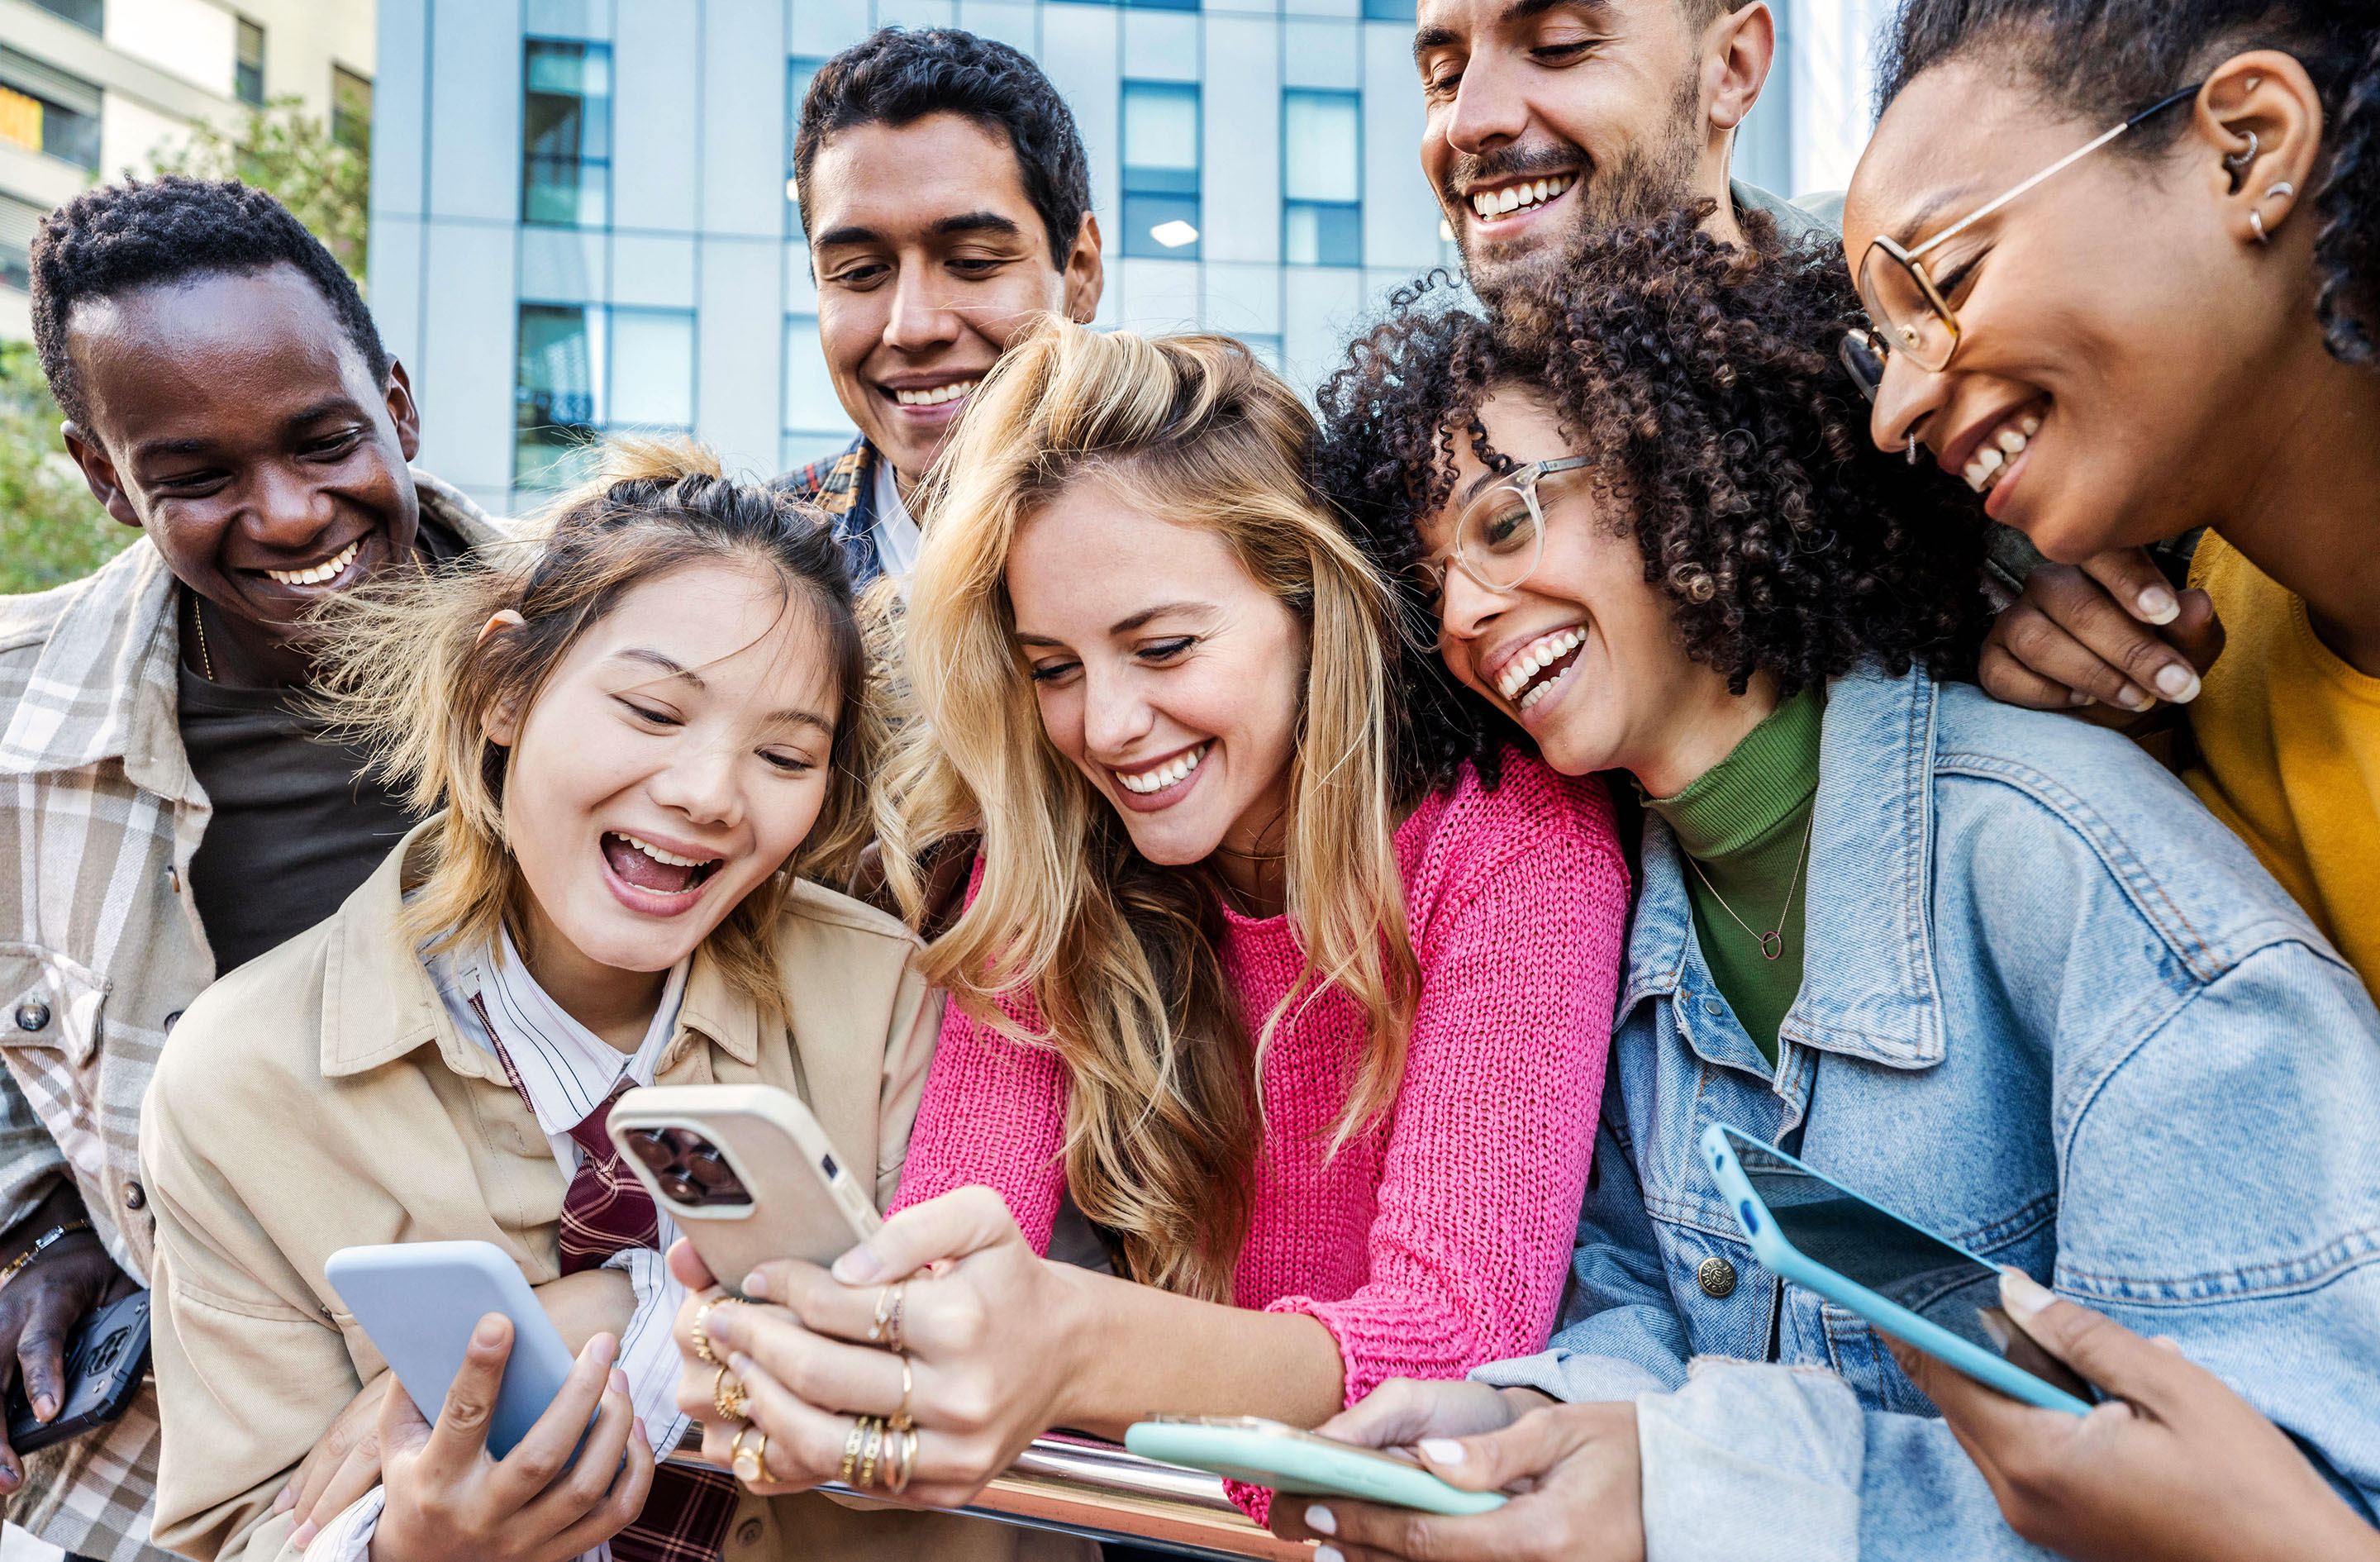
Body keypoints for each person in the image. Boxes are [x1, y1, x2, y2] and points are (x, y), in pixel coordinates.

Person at [1262, 207, 2380, 1561]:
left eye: (1506, 521)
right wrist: (1504, 1421)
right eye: (1431, 583)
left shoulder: (2069, 868)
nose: (1466, 616)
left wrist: (1694, 1488)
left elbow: (2295, 1486)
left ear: (1678, 466)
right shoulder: (1617, 920)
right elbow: (1633, 1314)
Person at [667, 321, 1629, 1516]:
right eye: (1054, 668)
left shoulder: (1509, 845)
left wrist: (1074, 1347)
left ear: (1310, 603)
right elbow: (951, 1282)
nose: (1108, 725)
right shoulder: (1042, 875)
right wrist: (844, 1371)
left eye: (1161, 646)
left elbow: (1451, 1338)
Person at [134, 441, 989, 1562]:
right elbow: (245, 1526)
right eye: (650, 710)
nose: (707, 794)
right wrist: (409, 1550)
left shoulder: (900, 1001)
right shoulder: (239, 1080)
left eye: (786, 753)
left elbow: (972, 1367)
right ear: (503, 689)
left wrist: (625, 1310)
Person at [0, 175, 507, 1562]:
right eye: (198, 477)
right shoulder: (16, 733)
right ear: (106, 480)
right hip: (177, 1480)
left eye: (324, 440)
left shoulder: (607, 666)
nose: (286, 515)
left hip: (551, 1429)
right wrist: (50, 1233)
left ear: (397, 406)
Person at [1844, 2, 2380, 1005]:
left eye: (1945, 277)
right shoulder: (2205, 668)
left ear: (2249, 149)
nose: (1895, 412)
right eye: (1877, 347)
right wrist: (2130, 762)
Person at [777, 27, 1102, 589]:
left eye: (973, 262)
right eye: (860, 273)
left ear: (1079, 272)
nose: (912, 327)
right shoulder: (749, 572)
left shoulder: (1223, 533)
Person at [1413, 0, 1839, 301]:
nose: (1467, 125)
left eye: (1558, 47)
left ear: (1731, 67)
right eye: (1446, 77)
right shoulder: (1440, 422)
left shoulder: (1884, 304)